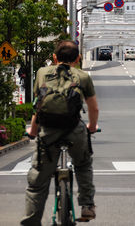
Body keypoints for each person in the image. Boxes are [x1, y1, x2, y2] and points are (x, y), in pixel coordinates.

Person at [21, 41, 99, 225]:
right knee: (83, 164)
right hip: (74, 129)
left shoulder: (41, 73)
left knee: (37, 181)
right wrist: (92, 127)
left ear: (54, 58)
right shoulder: (83, 77)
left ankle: (31, 221)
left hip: (48, 131)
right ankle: (87, 205)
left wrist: (32, 131)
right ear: (78, 59)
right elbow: (94, 109)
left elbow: (37, 107)